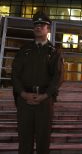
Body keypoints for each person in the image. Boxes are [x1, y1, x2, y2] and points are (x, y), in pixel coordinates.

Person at [11, 11, 63, 154]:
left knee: (43, 141)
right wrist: (23, 94)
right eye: (36, 25)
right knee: (24, 141)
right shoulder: (24, 50)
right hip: (24, 100)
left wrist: (45, 95)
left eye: (42, 25)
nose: (38, 27)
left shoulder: (54, 52)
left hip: (44, 101)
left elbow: (57, 77)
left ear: (48, 28)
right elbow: (15, 75)